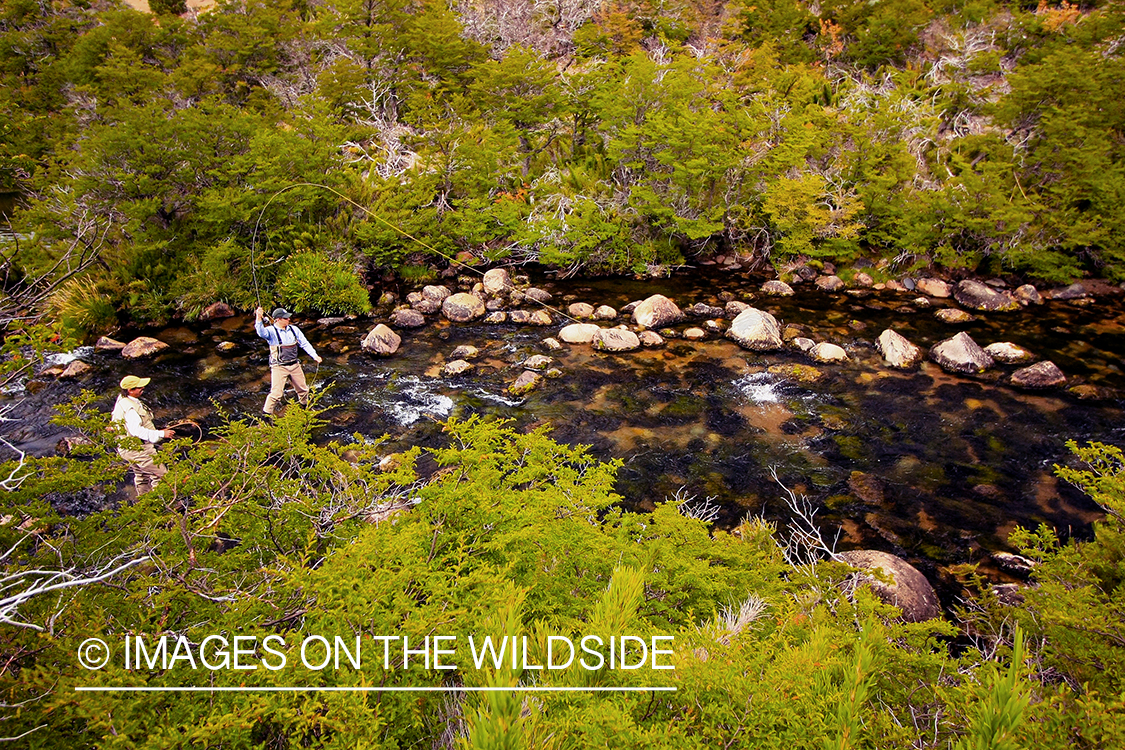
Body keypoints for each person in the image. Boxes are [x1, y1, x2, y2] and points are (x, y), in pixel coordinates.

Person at [111, 375, 175, 496]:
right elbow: (136, 431)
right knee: (161, 476)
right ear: (130, 390)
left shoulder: (123, 400)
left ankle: (144, 503)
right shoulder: (130, 409)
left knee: (142, 476)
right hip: (139, 449)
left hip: (127, 449)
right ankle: (162, 504)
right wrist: (162, 434)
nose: (143, 388)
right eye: (140, 387)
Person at [254, 306, 322, 415]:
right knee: (276, 394)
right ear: (278, 319)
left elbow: (304, 343)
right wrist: (258, 317)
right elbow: (261, 333)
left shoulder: (294, 330)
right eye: (285, 318)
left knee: (304, 390)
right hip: (279, 367)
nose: (288, 319)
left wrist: (314, 356)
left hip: (295, 365)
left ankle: (305, 408)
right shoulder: (271, 331)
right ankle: (266, 416)